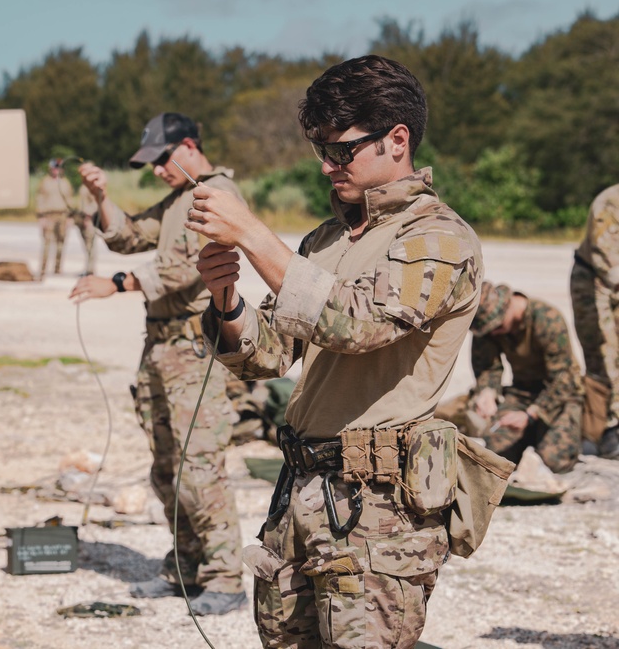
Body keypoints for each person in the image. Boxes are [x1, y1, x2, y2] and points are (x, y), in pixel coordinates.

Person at [188, 55, 484, 647]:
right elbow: (269, 356)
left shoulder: (438, 238)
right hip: (301, 492)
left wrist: (251, 233)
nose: (327, 166)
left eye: (341, 149)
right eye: (319, 149)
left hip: (377, 509)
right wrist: (226, 300)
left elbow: (360, 323)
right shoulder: (324, 241)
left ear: (397, 139)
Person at [70, 112, 246, 616]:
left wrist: (116, 284)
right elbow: (127, 235)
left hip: (194, 349)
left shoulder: (216, 194)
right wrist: (102, 196)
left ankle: (224, 575)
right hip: (161, 345)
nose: (156, 171)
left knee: (199, 467)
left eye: (161, 160)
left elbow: (184, 265)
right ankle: (185, 568)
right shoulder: (177, 199)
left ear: (188, 146)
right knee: (167, 467)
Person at [436, 281, 583, 473]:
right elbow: (487, 367)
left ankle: (547, 433)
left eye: (496, 328)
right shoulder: (489, 325)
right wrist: (487, 393)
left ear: (508, 307)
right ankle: (531, 435)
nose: (494, 334)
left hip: (560, 397)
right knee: (495, 456)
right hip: (523, 393)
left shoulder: (546, 319)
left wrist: (530, 415)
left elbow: (563, 379)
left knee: (554, 459)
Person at [570, 183, 619, 459]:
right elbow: (606, 258)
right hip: (595, 283)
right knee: (603, 353)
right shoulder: (610, 201)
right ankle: (605, 429)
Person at [35, 159, 72, 279]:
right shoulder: (45, 182)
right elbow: (40, 199)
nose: (56, 170)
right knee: (47, 243)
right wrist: (41, 217)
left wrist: (70, 217)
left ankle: (57, 268)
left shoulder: (65, 183)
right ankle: (43, 268)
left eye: (58, 168)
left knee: (61, 242)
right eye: (54, 168)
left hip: (62, 214)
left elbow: (70, 199)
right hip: (48, 215)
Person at [74, 183, 98, 275]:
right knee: (86, 246)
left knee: (90, 245)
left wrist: (88, 216)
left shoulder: (93, 187)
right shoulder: (84, 186)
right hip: (81, 218)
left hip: (89, 220)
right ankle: (88, 268)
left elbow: (96, 203)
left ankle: (90, 270)